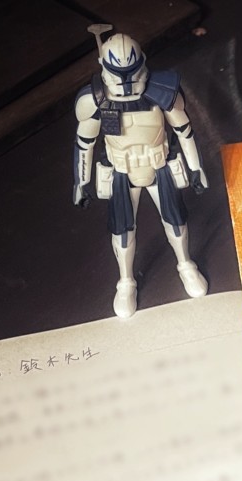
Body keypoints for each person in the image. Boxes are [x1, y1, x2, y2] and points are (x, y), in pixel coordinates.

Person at [72, 25, 209, 318]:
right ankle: (125, 281)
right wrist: (81, 182)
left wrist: (196, 168)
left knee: (175, 221)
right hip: (122, 171)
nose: (125, 83)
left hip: (158, 165)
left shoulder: (162, 93)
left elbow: (184, 131)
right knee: (123, 231)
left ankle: (186, 264)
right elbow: (85, 143)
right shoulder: (95, 100)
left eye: (130, 74)